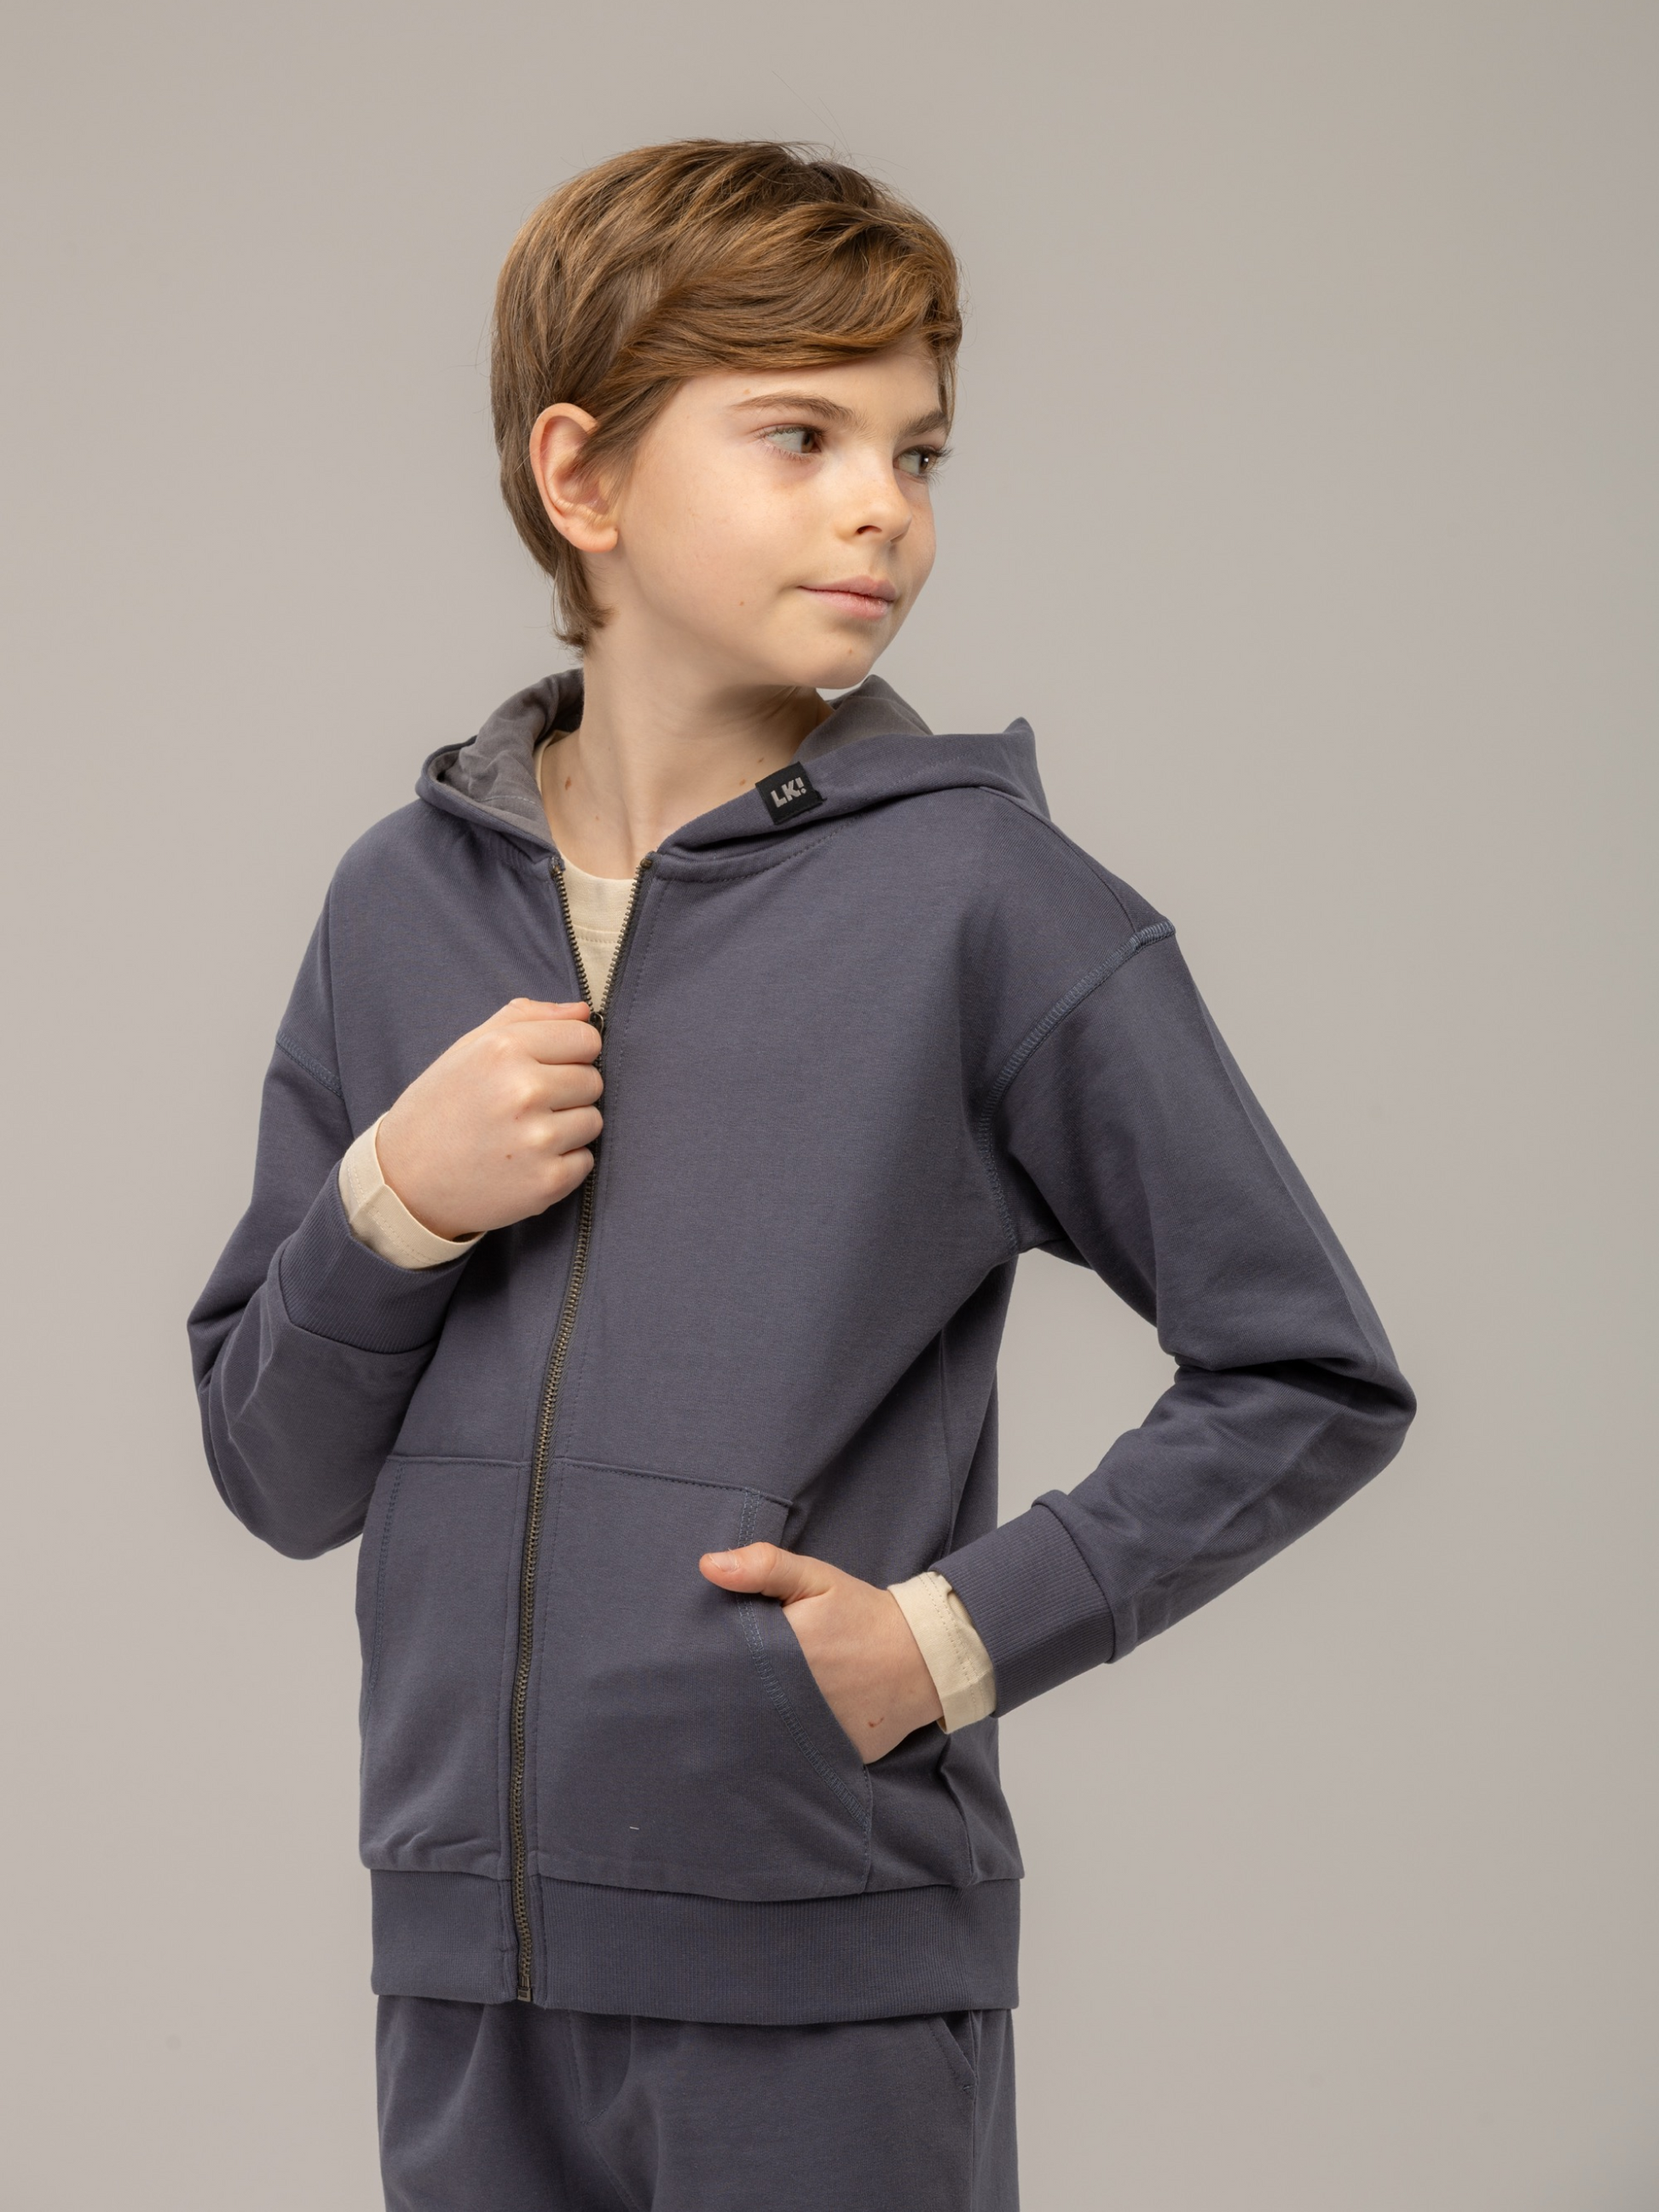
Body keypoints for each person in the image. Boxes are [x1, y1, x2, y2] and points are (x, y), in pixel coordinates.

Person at [188, 138, 1415, 2212]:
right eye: (800, 435)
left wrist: (948, 1638)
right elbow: (274, 1471)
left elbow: (1307, 1369)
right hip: (464, 1978)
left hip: (820, 1977)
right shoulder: (396, 904)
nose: (883, 507)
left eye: (914, 450)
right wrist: (394, 1196)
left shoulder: (984, 902)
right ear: (582, 478)